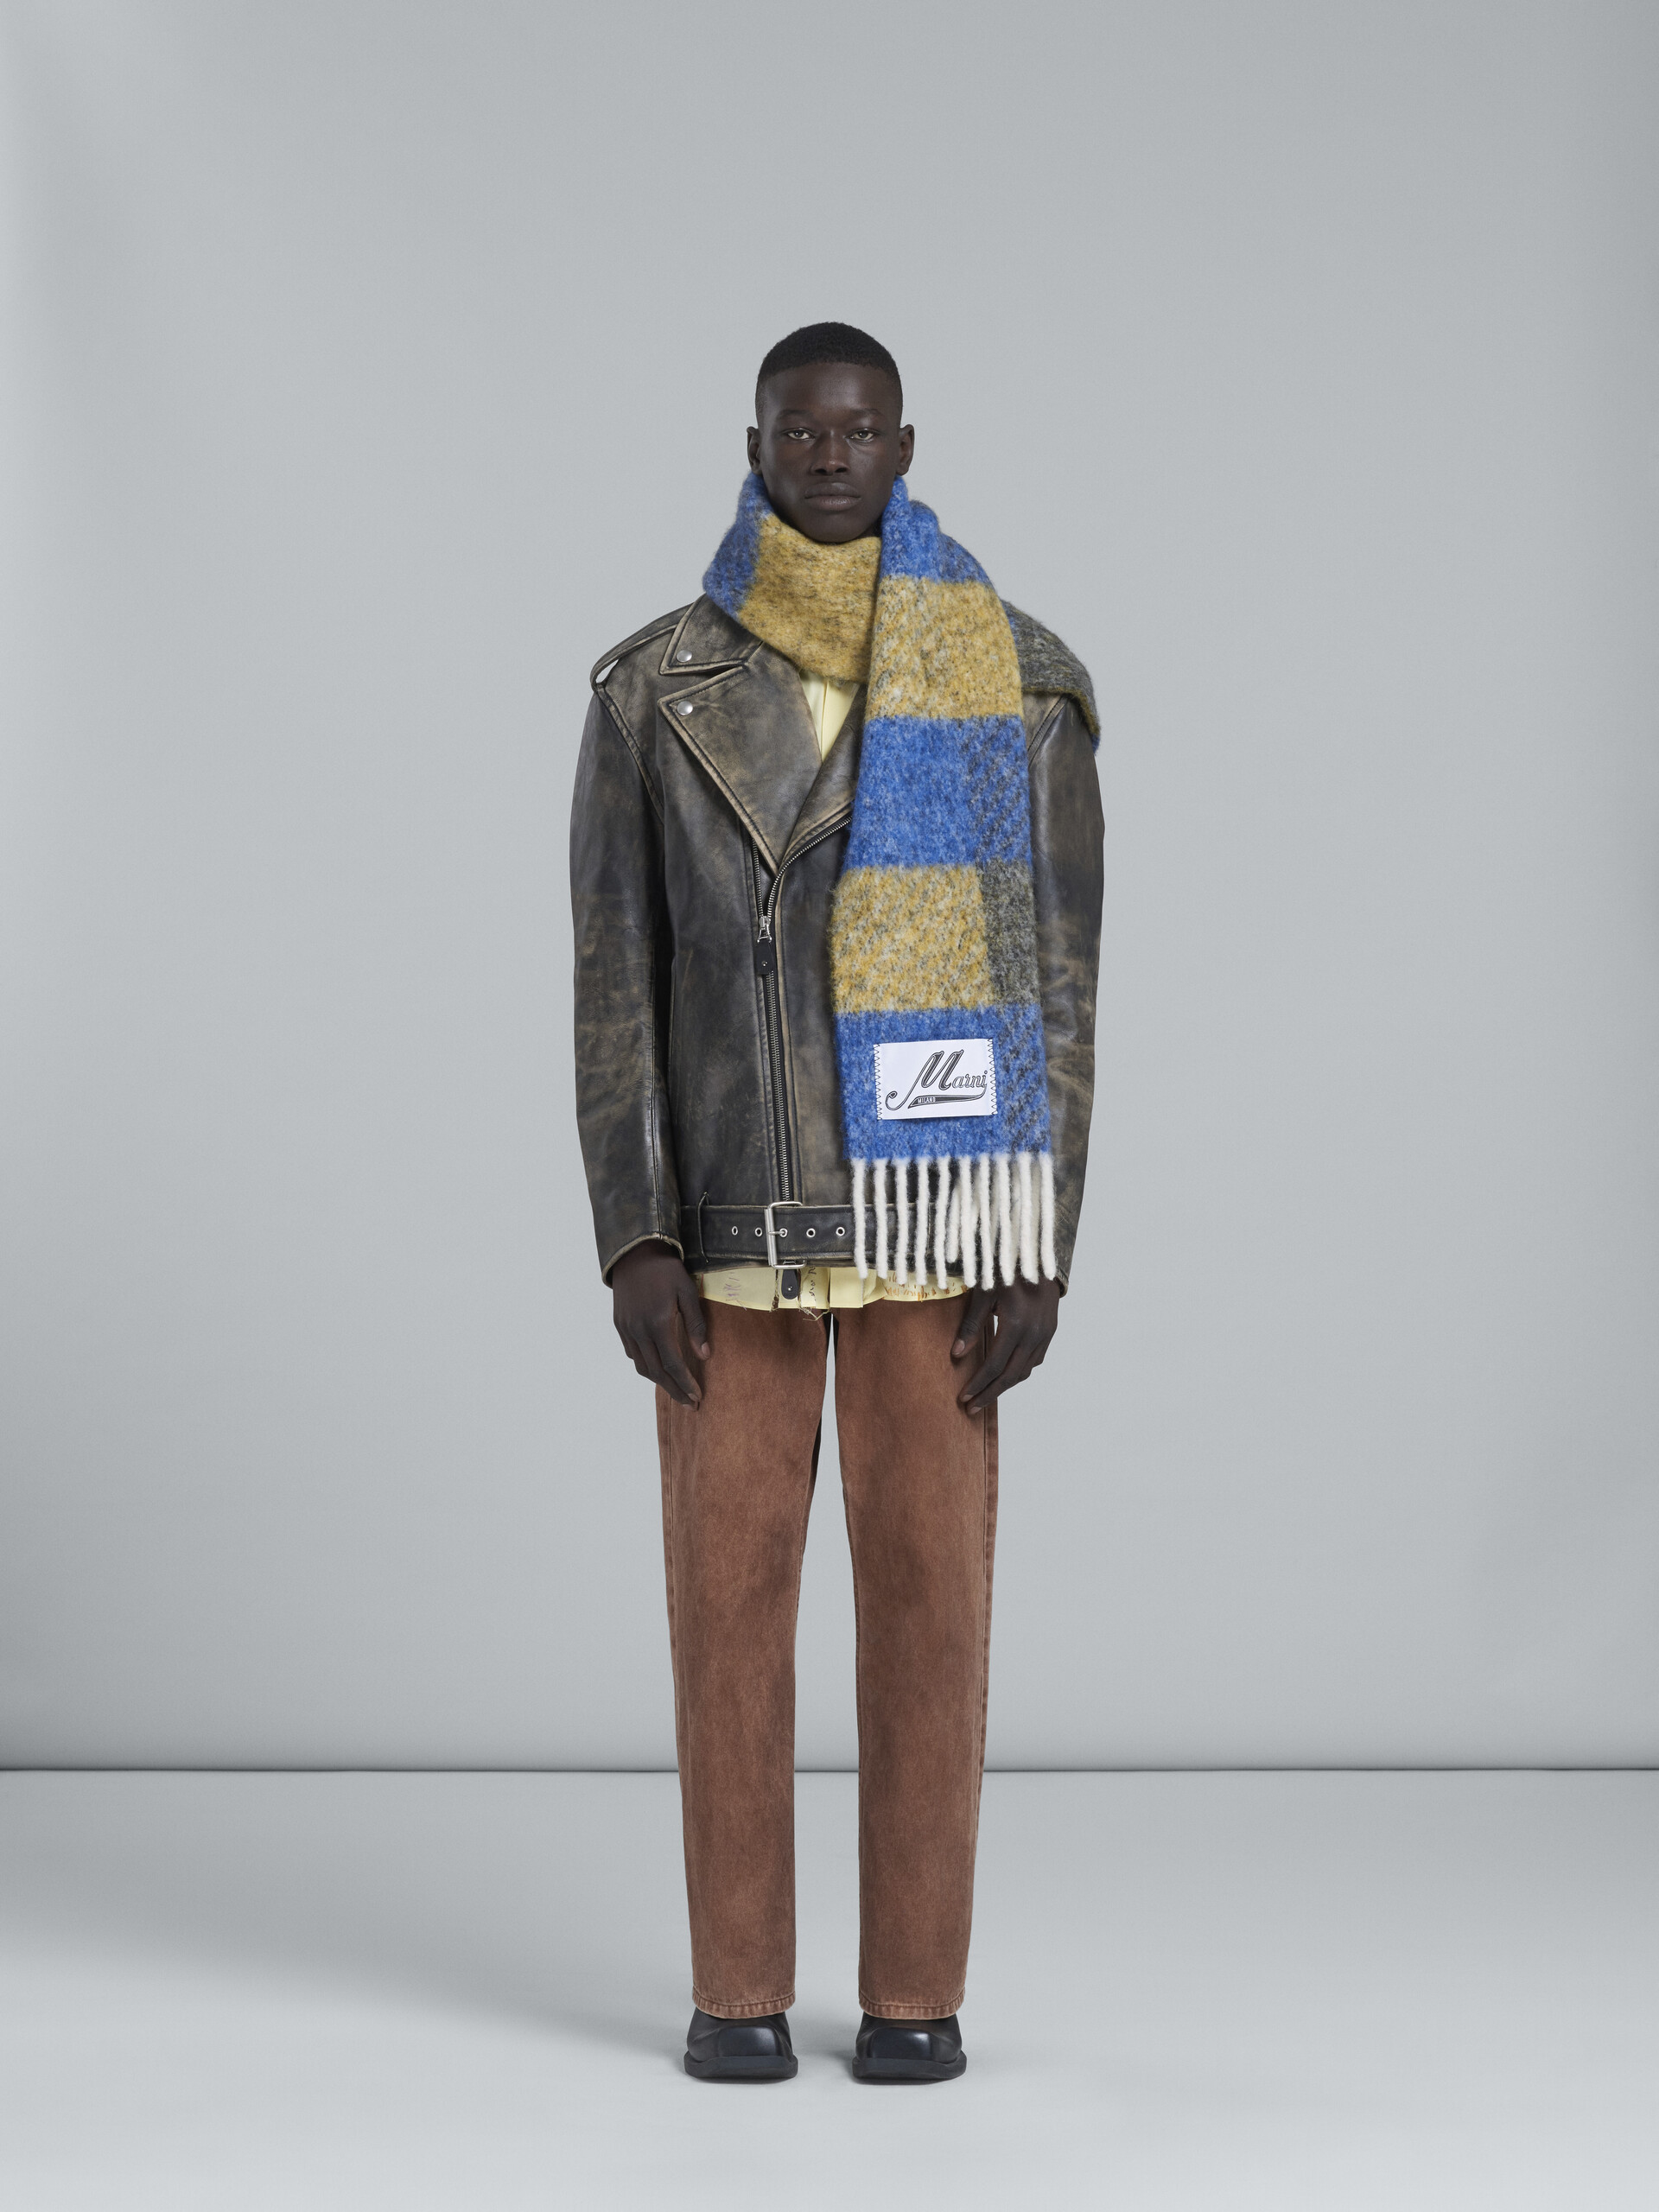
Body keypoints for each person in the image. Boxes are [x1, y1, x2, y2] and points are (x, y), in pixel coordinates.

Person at [570, 323, 1103, 2083]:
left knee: (934, 1617)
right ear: (755, 445)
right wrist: (635, 1228)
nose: (828, 453)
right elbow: (616, 982)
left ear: (904, 446)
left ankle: (913, 1995)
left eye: (858, 429)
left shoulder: (1018, 685)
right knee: (726, 1618)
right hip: (731, 1236)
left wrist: (1041, 1242)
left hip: (942, 1235)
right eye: (800, 429)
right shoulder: (651, 693)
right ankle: (735, 1991)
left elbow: (1063, 994)